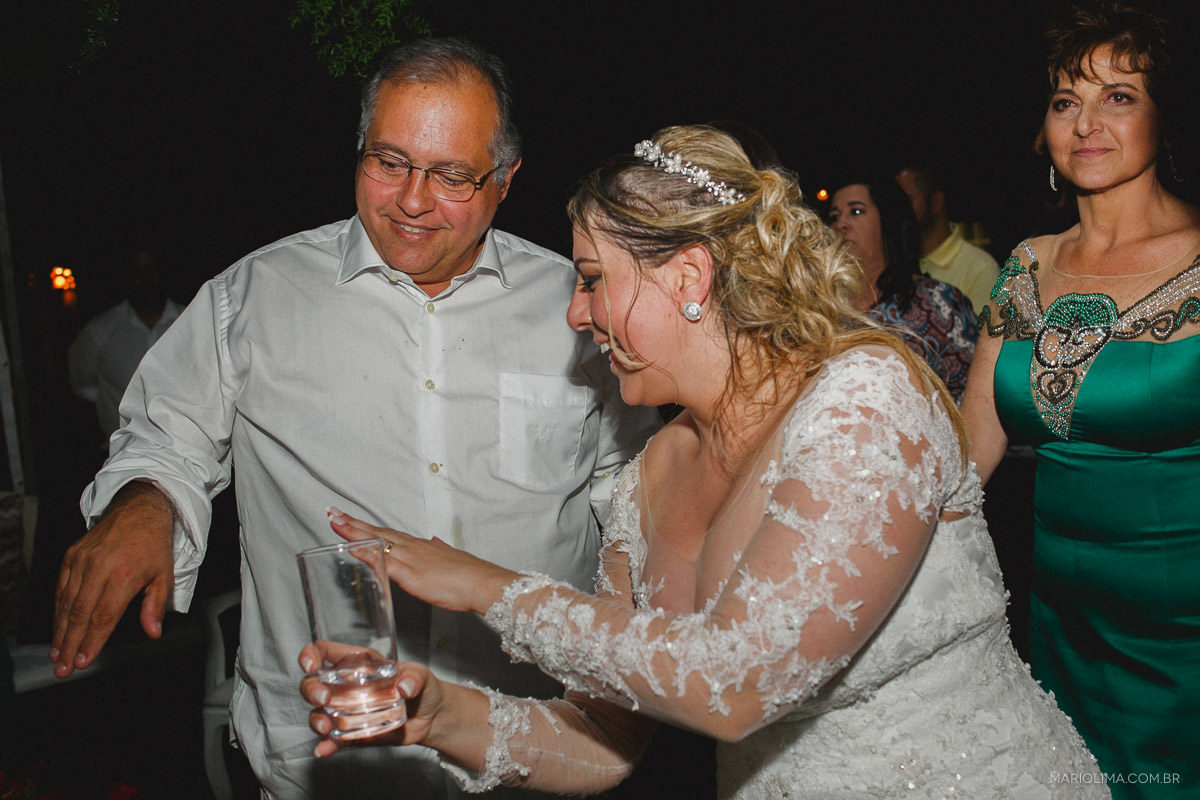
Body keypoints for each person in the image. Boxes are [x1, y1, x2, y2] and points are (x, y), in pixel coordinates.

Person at [301, 125, 1107, 798]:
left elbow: (738, 683)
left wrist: (488, 588)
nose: (577, 315)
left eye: (590, 280)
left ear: (688, 274)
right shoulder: (647, 479)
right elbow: (605, 739)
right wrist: (436, 713)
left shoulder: (864, 399)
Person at [50, 38, 658, 799]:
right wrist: (146, 502)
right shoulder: (256, 297)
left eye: (452, 176)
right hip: (329, 761)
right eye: (390, 161)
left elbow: (634, 490)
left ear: (506, 180)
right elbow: (167, 434)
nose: (410, 199)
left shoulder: (577, 307)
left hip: (535, 752)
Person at [961, 3, 1200, 795]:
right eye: (1067, 100)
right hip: (1058, 620)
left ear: (1168, 119)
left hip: (1183, 639)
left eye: (1119, 96)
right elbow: (969, 452)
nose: (1087, 123)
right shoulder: (1026, 263)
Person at [827, 176, 979, 401]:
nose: (841, 224)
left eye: (856, 212)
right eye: (834, 216)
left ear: (888, 221)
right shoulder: (823, 308)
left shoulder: (938, 303)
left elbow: (975, 397)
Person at [68, 245, 182, 449]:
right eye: (137, 271)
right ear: (125, 277)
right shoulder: (99, 331)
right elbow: (83, 384)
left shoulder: (190, 324)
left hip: (185, 453)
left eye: (151, 270)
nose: (145, 278)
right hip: (124, 453)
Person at [894, 164, 1001, 314]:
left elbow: (984, 336)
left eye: (907, 201)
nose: (898, 210)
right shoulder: (894, 262)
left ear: (935, 202)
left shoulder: (980, 269)